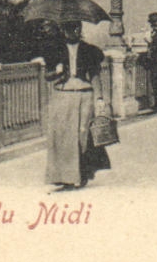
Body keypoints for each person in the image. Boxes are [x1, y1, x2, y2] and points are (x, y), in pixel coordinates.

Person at [45, 23, 110, 189]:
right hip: (63, 95)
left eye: (75, 28)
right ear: (63, 30)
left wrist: (100, 99)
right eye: (68, 28)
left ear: (80, 30)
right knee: (62, 137)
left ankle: (81, 174)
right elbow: (48, 76)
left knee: (82, 135)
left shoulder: (90, 50)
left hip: (84, 95)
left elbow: (95, 76)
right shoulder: (55, 50)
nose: (72, 32)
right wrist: (57, 72)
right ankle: (65, 177)